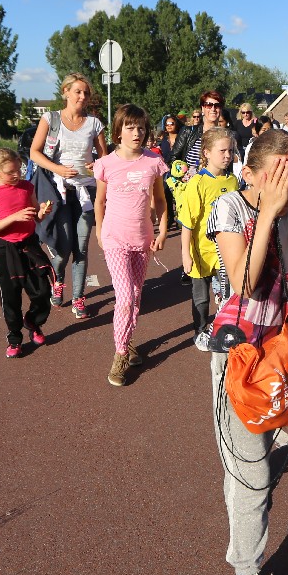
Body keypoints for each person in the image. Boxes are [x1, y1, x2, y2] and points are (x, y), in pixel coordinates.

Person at [207, 128, 288, 575]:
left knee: (260, 456)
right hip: (241, 356)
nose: (284, 186)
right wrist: (270, 212)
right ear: (249, 174)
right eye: (275, 177)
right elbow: (243, 283)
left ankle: (246, 495)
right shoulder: (230, 206)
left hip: (282, 350)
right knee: (252, 476)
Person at [93, 104, 168, 386]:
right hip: (115, 238)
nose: (137, 133)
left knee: (135, 297)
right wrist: (100, 231)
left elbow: (160, 200)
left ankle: (127, 341)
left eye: (141, 128)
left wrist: (162, 232)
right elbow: (100, 201)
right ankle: (121, 354)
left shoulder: (153, 162)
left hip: (142, 239)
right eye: (130, 127)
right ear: (118, 131)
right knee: (124, 298)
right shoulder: (106, 164)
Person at [29, 73, 109, 319]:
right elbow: (34, 152)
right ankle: (58, 280)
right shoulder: (50, 119)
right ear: (65, 92)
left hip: (85, 193)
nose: (82, 96)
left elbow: (104, 159)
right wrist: (58, 169)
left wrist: (98, 166)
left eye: (86, 92)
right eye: (78, 91)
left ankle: (78, 298)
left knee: (81, 248)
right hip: (58, 192)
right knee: (63, 249)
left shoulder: (94, 123)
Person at [0, 148, 55, 358]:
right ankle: (14, 339)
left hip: (29, 245)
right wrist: (14, 217)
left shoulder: (26, 186)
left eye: (19, 170)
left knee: (42, 291)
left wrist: (42, 211)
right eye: (10, 172)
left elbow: (36, 216)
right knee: (10, 297)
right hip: (5, 248)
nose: (16, 175)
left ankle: (33, 321)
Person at [177, 127, 238, 351]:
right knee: (201, 299)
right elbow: (187, 223)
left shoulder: (232, 181)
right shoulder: (197, 183)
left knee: (226, 294)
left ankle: (223, 330)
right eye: (222, 151)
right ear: (207, 153)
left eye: (230, 151)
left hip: (225, 251)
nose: (227, 155)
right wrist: (186, 254)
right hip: (201, 251)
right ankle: (200, 331)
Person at [175, 91, 237, 176]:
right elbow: (174, 159)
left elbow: (228, 167)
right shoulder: (188, 132)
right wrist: (181, 176)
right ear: (202, 108)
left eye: (217, 105)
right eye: (209, 105)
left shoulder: (227, 136)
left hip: (216, 182)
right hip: (190, 182)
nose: (213, 109)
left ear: (221, 109)